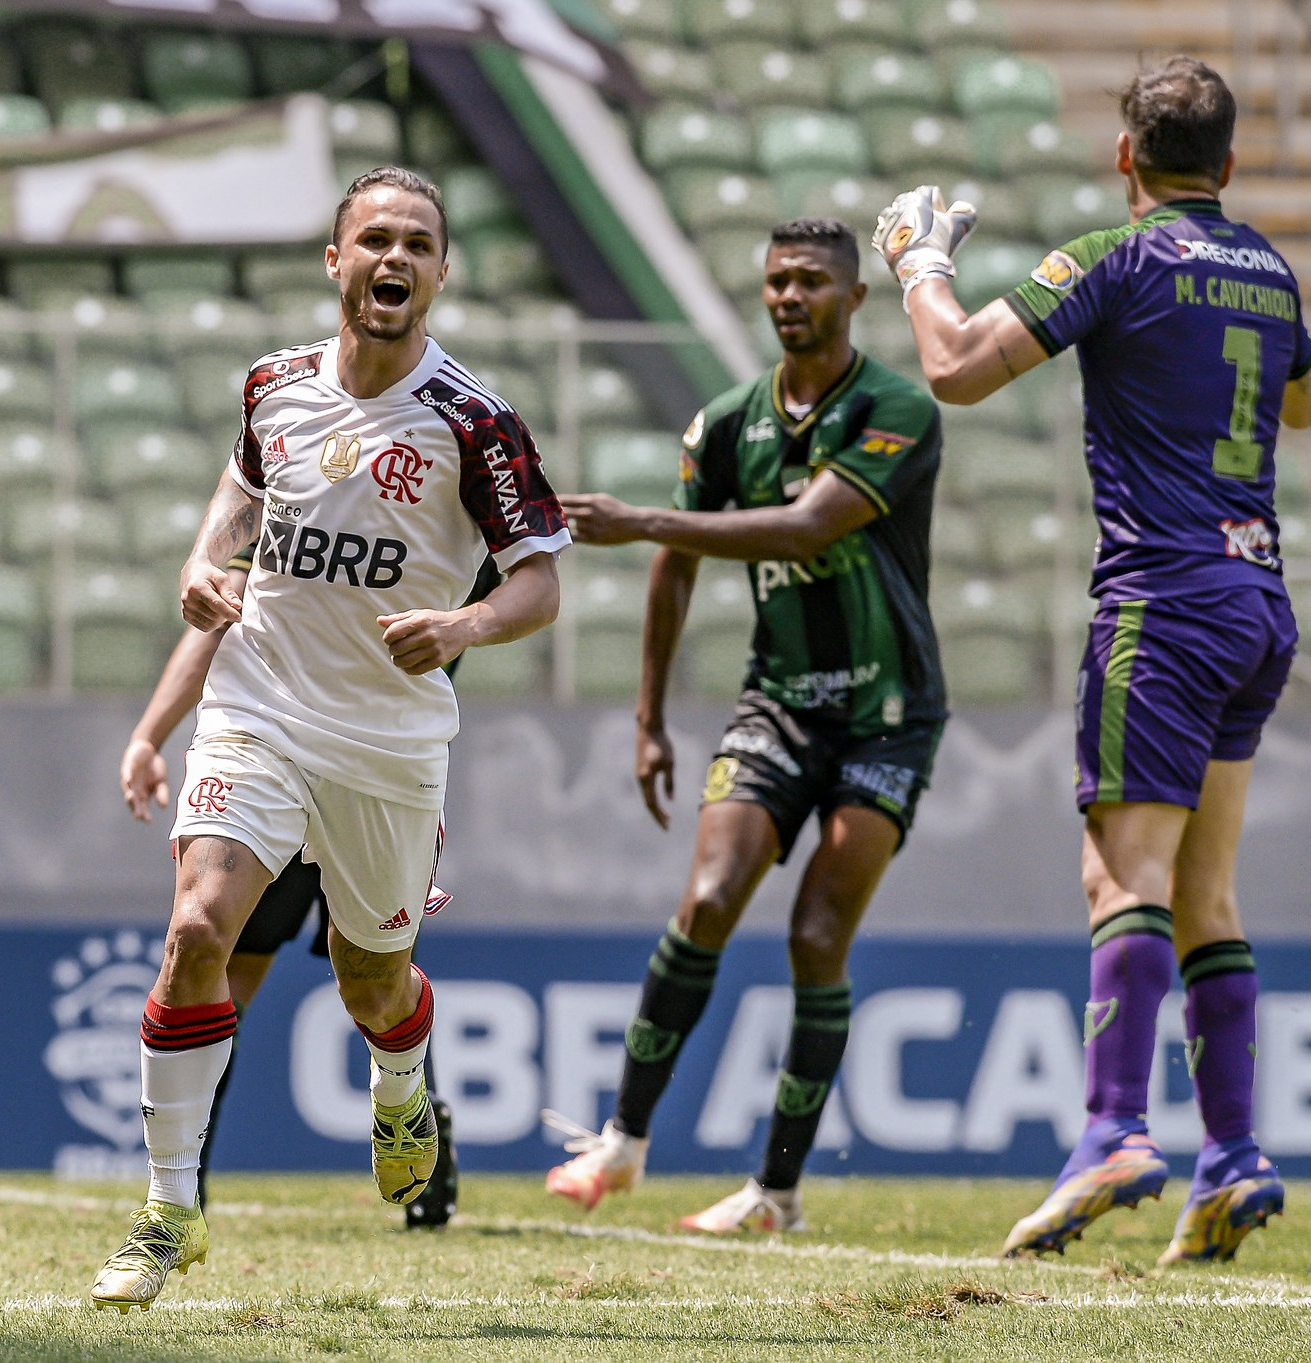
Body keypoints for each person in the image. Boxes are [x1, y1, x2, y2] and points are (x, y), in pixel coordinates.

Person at [91, 166, 570, 1312]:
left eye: (417, 244)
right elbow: (236, 498)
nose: (393, 259)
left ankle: (401, 1074)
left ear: (441, 273)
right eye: (374, 240)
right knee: (198, 925)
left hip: (387, 744)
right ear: (336, 260)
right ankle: (166, 1212)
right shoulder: (273, 386)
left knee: (371, 981)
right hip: (257, 710)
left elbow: (542, 582)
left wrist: (467, 621)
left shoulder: (474, 420)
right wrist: (201, 564)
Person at [871, 56, 1311, 1265]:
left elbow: (954, 368)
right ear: (1226, 165)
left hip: (1160, 604)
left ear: (1125, 156)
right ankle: (1230, 1156)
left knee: (1119, 882)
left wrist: (919, 261)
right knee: (1205, 892)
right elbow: (1293, 402)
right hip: (1256, 597)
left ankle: (1115, 1129)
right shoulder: (1271, 273)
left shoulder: (1117, 258)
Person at [546, 217, 946, 1233]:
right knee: (711, 894)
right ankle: (622, 1142)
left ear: (854, 298)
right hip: (777, 701)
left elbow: (809, 524)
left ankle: (775, 1191)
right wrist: (647, 716)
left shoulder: (896, 409)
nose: (787, 295)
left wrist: (642, 517)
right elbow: (676, 567)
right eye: (774, 280)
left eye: (810, 280)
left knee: (816, 938)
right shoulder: (726, 423)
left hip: (885, 716)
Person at [117, 547, 500, 1225]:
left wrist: (535, 539)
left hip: (380, 773)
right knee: (220, 960)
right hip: (277, 759)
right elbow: (223, 611)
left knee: (380, 978)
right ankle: (182, 1190)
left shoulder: (461, 490)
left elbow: (530, 573)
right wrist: (150, 733)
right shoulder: (300, 476)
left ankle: (414, 1124)